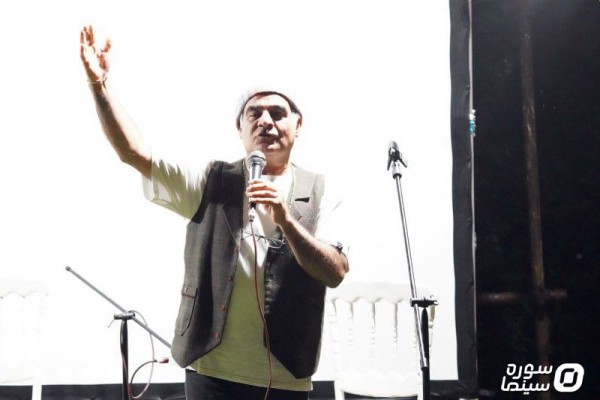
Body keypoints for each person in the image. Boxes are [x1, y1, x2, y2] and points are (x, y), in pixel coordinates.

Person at [79, 25, 349, 400]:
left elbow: (334, 272)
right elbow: (134, 153)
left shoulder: (322, 191)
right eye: (254, 113)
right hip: (211, 369)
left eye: (278, 113)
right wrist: (99, 86)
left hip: (286, 375)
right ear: (239, 127)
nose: (266, 121)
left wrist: (285, 220)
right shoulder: (212, 181)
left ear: (297, 125)